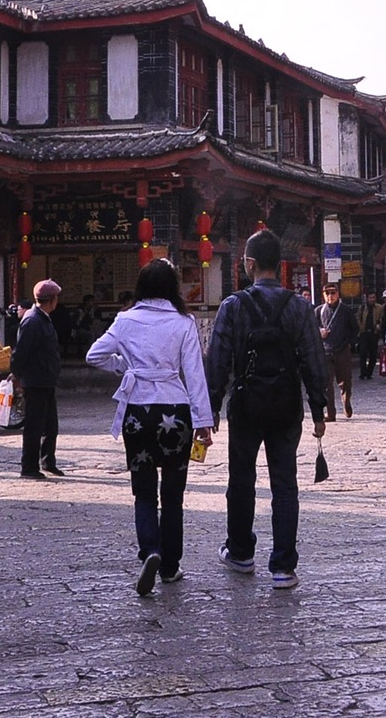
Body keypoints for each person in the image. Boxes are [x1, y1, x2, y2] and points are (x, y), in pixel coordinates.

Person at [205, 229, 328, 589]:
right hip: (286, 405)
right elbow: (314, 360)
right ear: (280, 264)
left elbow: (218, 360)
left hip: (245, 405)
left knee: (241, 480)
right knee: (285, 484)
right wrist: (319, 410)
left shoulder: (233, 306)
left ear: (250, 263)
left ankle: (241, 552)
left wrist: (211, 407)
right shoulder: (300, 307)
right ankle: (283, 566)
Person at [86, 258, 214, 595]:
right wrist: (204, 422)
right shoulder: (184, 322)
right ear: (173, 287)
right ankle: (170, 566)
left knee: (143, 491)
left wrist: (125, 368)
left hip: (137, 413)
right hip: (175, 409)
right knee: (172, 496)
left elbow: (94, 355)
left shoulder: (125, 320)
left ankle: (150, 550)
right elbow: (195, 374)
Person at [12, 279, 65, 479]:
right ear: (51, 300)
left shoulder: (42, 318)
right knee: (34, 426)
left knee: (50, 425)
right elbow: (21, 351)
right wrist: (17, 375)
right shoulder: (33, 320)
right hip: (35, 381)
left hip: (46, 379)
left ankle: (47, 461)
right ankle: (29, 467)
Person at [315, 282, 358, 419]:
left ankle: (346, 402)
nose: (330, 296)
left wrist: (350, 344)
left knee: (345, 381)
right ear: (323, 295)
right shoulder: (318, 311)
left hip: (342, 350)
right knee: (326, 384)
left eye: (333, 293)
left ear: (338, 294)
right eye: (327, 293)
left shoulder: (346, 310)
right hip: (325, 351)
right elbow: (311, 329)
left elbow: (354, 329)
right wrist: (319, 333)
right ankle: (330, 413)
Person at [357, 291, 383, 380]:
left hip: (374, 333)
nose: (372, 299)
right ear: (367, 299)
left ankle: (369, 373)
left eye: (373, 298)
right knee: (363, 353)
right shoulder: (363, 307)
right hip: (364, 333)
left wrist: (378, 326)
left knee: (373, 354)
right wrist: (361, 328)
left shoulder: (379, 308)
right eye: (370, 298)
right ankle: (363, 372)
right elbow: (358, 318)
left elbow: (381, 318)